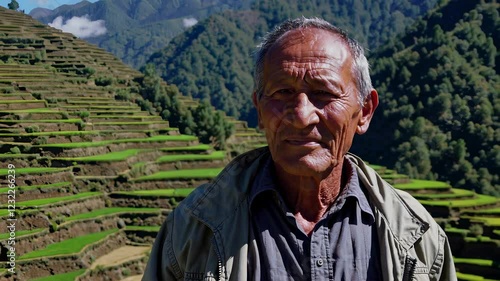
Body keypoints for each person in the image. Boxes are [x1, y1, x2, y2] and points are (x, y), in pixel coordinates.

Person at [143, 17, 457, 281]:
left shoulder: (419, 240)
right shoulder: (193, 229)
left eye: (323, 93)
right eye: (282, 92)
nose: (302, 116)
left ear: (364, 111)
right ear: (259, 108)